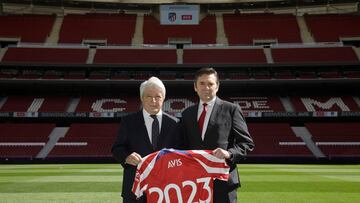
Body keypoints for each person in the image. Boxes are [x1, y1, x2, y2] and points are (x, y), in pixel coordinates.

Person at [181, 67, 254, 203]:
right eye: (202, 83)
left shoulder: (231, 109)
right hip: (193, 182)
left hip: (223, 181)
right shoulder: (187, 113)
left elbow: (246, 143)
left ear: (217, 86)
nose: (206, 87)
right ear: (195, 87)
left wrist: (229, 153)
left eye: (210, 84)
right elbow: (181, 145)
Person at [112, 76, 183, 203]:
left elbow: (182, 154)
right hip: (134, 188)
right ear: (141, 98)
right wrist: (127, 157)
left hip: (166, 188)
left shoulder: (175, 123)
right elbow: (117, 148)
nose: (154, 101)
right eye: (149, 96)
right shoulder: (128, 121)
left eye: (158, 96)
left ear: (164, 98)